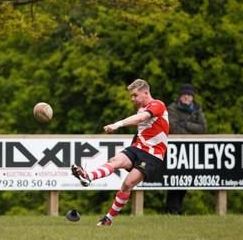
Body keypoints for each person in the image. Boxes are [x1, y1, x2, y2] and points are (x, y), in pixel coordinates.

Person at [71, 79, 169, 226]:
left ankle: (108, 219)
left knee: (127, 185)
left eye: (135, 95)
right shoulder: (140, 109)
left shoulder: (157, 105)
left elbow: (140, 118)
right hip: (137, 148)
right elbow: (141, 128)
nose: (133, 99)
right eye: (131, 96)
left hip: (152, 155)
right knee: (114, 161)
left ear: (146, 92)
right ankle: (88, 176)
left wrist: (117, 125)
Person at [165, 83, 207, 214]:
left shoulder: (197, 108)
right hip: (173, 151)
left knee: (185, 181)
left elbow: (203, 128)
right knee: (173, 180)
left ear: (193, 97)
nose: (187, 97)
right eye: (185, 95)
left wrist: (187, 124)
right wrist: (191, 136)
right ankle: (172, 210)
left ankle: (177, 209)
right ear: (180, 96)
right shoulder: (172, 108)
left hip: (190, 152)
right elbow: (172, 128)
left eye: (190, 95)